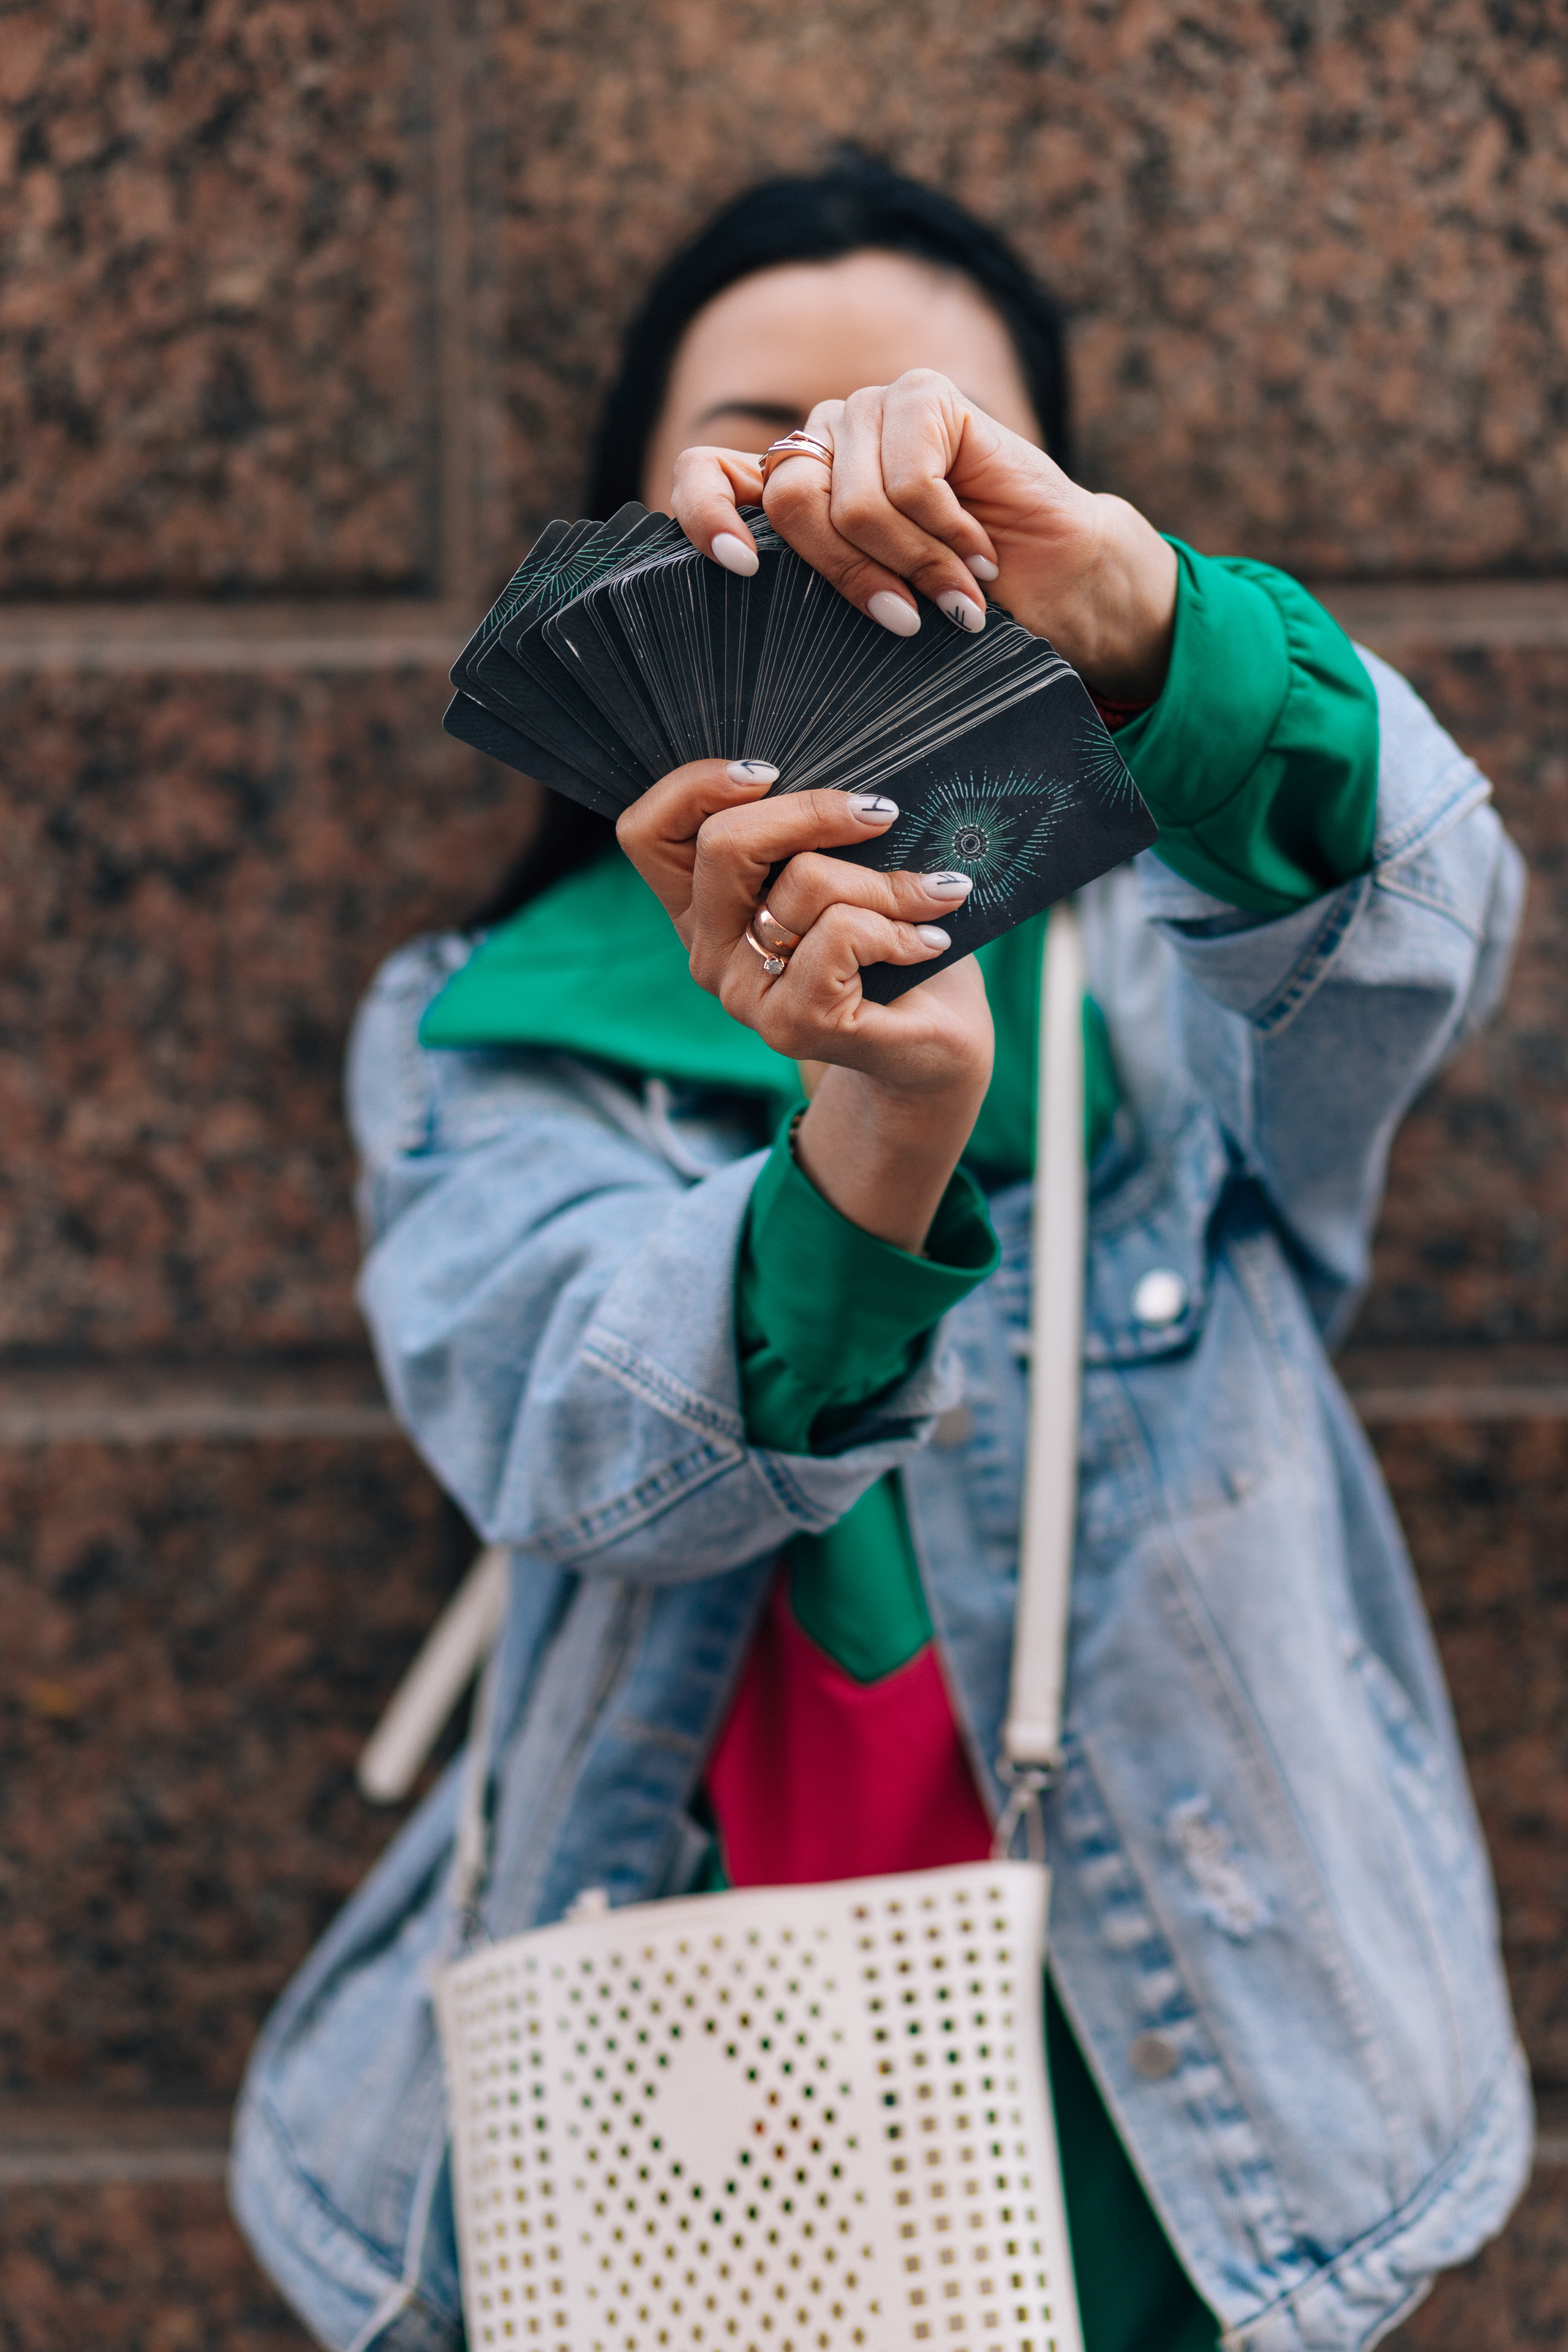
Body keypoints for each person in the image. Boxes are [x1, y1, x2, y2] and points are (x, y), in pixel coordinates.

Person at [231, 156, 1531, 2352]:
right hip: (673, 2092)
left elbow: (1420, 944)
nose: (834, 489)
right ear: (625, 511)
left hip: (1177, 2091)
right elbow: (571, 1436)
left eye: (916, 421)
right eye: (756, 429)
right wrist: (875, 1127)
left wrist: (1146, 624)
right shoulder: (484, 1025)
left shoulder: (1157, 970)